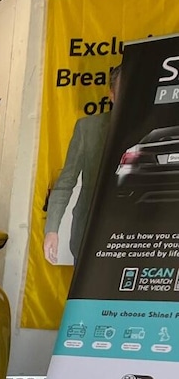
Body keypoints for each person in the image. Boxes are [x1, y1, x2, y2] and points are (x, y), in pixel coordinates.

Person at [44, 64, 121, 264]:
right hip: (87, 236)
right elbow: (65, 182)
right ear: (111, 95)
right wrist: (52, 230)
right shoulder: (87, 129)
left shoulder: (153, 130)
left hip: (134, 238)